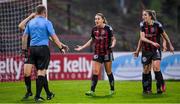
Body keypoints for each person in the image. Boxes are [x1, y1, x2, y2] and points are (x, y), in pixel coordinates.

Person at [22, 5, 68, 101]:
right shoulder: (47, 22)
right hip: (43, 49)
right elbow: (54, 37)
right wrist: (60, 47)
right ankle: (37, 96)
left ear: (36, 12)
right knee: (41, 73)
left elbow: (24, 37)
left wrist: (24, 50)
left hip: (32, 49)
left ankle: (44, 93)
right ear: (44, 13)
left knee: (27, 73)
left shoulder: (30, 22)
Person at [74, 13, 116, 96]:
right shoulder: (94, 29)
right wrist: (82, 47)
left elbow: (113, 39)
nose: (96, 20)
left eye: (98, 19)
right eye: (95, 19)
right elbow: (92, 40)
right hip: (97, 53)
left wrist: (113, 44)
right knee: (95, 71)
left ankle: (112, 89)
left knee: (108, 72)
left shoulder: (108, 28)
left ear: (103, 20)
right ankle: (92, 91)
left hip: (107, 52)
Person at [138, 9, 174, 94]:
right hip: (146, 50)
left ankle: (161, 85)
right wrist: (137, 50)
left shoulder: (158, 25)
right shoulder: (142, 24)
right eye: (143, 15)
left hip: (155, 50)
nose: (143, 17)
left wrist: (169, 45)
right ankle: (147, 89)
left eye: (145, 15)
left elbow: (164, 35)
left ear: (150, 16)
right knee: (146, 70)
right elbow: (142, 38)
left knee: (156, 67)